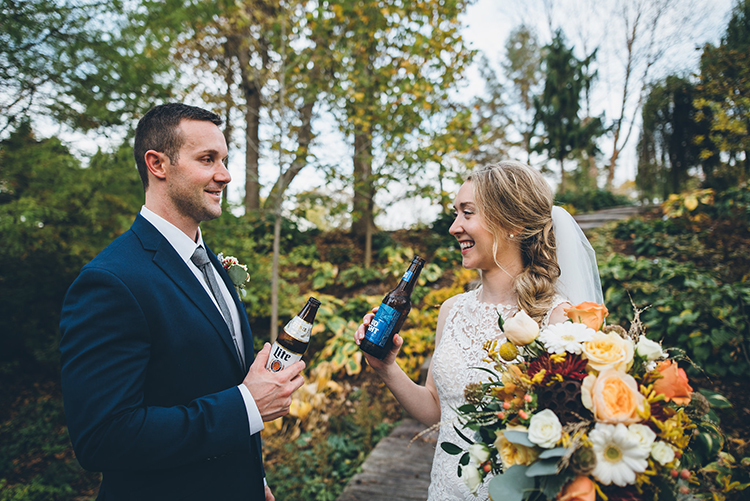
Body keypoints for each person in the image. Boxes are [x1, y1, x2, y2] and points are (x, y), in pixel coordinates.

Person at [59, 103, 305, 501]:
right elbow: (103, 438)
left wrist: (252, 478)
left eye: (224, 160)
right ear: (157, 164)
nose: (225, 175)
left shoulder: (211, 263)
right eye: (207, 159)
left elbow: (224, 380)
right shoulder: (110, 282)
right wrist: (246, 406)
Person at [354, 161, 602, 500]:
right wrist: (385, 368)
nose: (454, 227)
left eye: (467, 213)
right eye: (455, 213)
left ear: (512, 224)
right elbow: (437, 409)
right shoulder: (451, 310)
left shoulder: (559, 321)